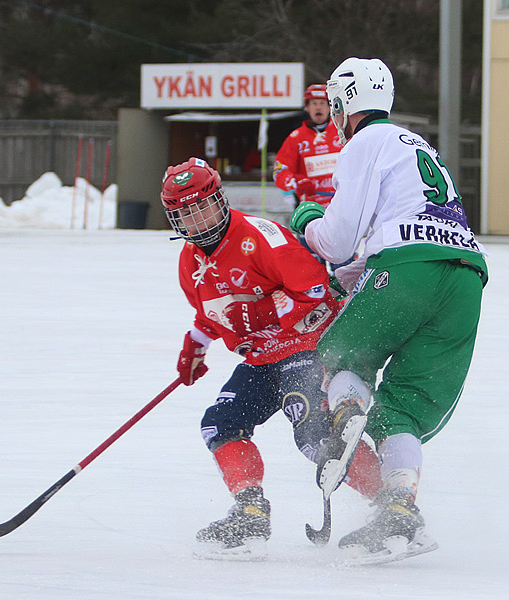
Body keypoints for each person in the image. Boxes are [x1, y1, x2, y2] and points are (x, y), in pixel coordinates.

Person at [289, 58, 488, 564]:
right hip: (466, 277)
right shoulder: (418, 145)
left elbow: (335, 241)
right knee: (401, 410)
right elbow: (398, 234)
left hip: (408, 269)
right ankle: (399, 508)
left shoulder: (363, 143)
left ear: (341, 106)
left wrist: (309, 218)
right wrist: (357, 271)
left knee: (338, 357)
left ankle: (348, 413)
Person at [161, 157, 381, 560]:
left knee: (315, 434)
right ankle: (250, 511)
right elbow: (212, 311)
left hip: (306, 345)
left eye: (203, 206)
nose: (198, 219)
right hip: (261, 359)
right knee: (220, 423)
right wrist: (194, 345)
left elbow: (315, 290)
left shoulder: (259, 235)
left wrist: (262, 312)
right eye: (186, 213)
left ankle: (390, 504)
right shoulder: (190, 261)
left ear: (220, 199)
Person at [273, 83, 342, 208]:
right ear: (307, 108)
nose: (318, 108)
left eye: (322, 103)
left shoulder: (342, 132)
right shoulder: (296, 137)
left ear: (329, 107)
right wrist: (296, 182)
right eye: (314, 104)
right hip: (310, 208)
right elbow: (279, 171)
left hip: (341, 205)